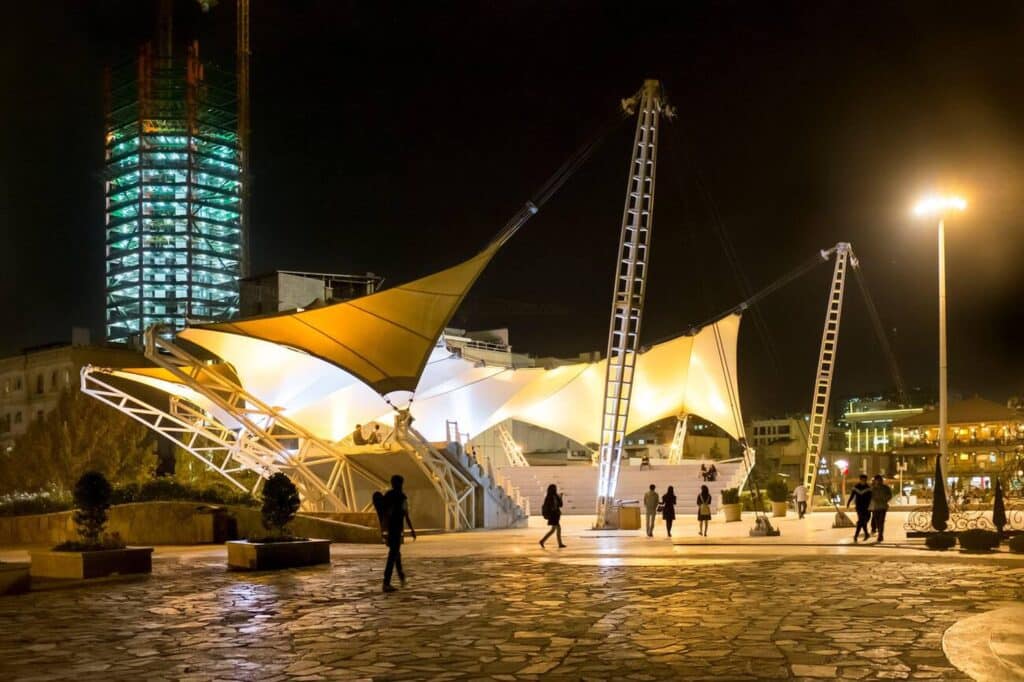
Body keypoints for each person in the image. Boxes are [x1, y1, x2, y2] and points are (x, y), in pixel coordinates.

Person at [380, 474, 416, 593]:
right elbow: (406, 514)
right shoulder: (401, 496)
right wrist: (411, 530)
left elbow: (384, 514)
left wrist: (383, 530)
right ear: (401, 484)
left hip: (390, 529)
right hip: (397, 529)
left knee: (396, 553)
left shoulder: (387, 496)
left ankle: (401, 576)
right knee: (393, 555)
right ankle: (386, 582)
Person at [846, 474, 872, 542]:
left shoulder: (868, 488)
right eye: (862, 479)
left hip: (867, 507)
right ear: (860, 479)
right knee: (861, 521)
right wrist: (848, 503)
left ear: (866, 480)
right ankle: (857, 536)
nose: (863, 481)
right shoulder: (856, 487)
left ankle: (862, 535)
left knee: (862, 522)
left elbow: (871, 498)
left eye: (864, 479)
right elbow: (852, 495)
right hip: (859, 507)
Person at [539, 484, 566, 548]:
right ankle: (560, 544)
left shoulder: (554, 496)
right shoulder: (550, 497)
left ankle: (542, 541)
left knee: (553, 530)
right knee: (558, 528)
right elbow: (553, 506)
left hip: (555, 515)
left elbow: (560, 505)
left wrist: (561, 497)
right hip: (553, 515)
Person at [869, 474, 893, 543]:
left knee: (881, 522)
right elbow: (869, 497)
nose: (878, 481)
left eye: (880, 480)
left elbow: (890, 495)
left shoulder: (886, 488)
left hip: (883, 507)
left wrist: (884, 499)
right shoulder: (873, 488)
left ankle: (880, 535)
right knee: (877, 522)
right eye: (877, 480)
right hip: (875, 507)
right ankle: (879, 533)